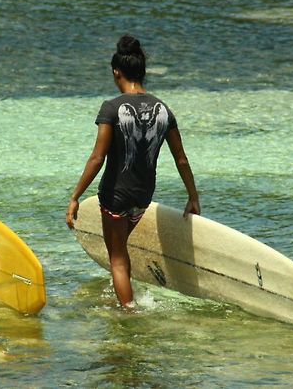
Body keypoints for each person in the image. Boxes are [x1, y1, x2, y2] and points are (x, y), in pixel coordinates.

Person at [66, 35, 200, 307]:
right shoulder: (163, 109)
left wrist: (75, 196)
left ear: (117, 72)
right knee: (121, 250)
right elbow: (181, 159)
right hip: (143, 196)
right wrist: (193, 196)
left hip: (115, 195)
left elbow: (97, 158)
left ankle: (128, 314)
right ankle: (124, 296)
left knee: (116, 257)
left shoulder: (112, 108)